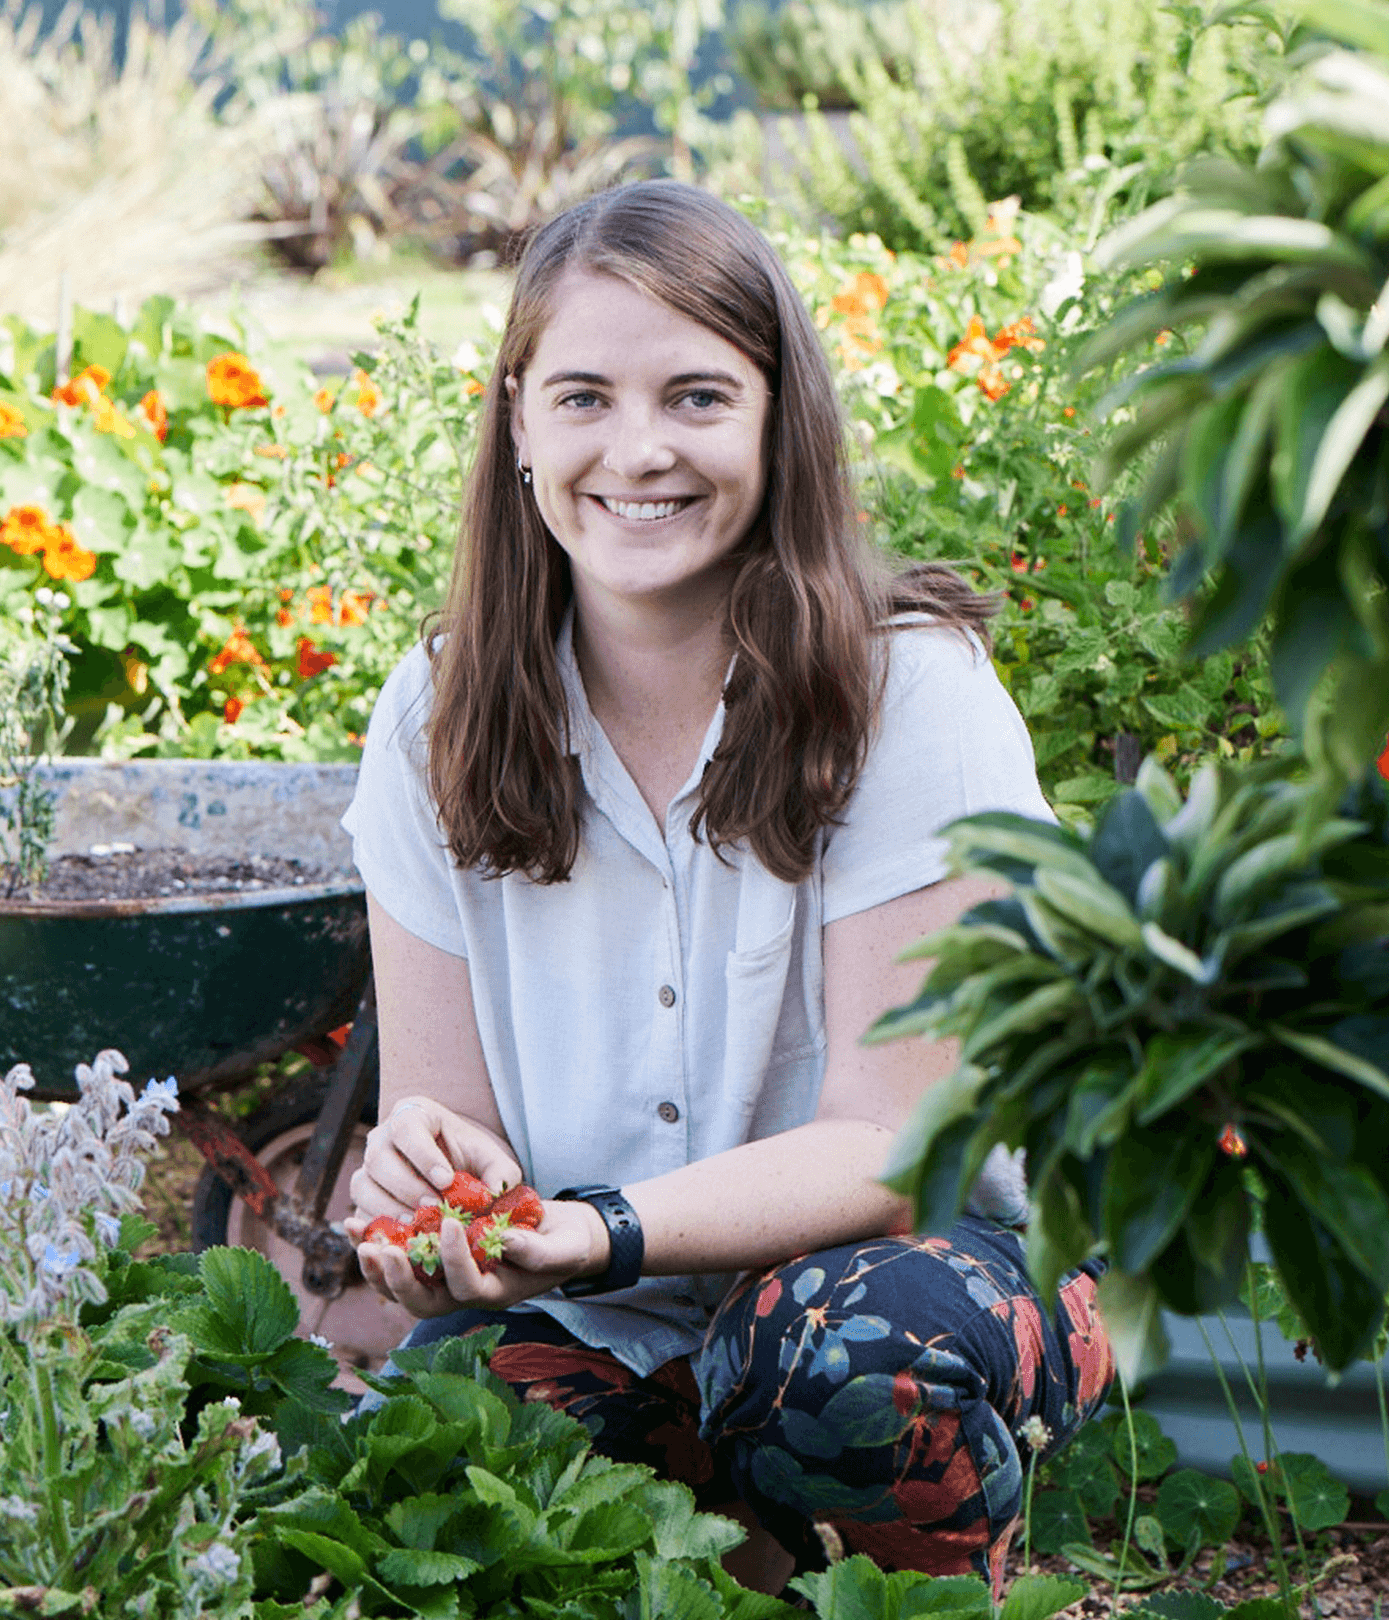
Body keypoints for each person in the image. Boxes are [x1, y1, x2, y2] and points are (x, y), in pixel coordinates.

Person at [338, 180, 1111, 1591]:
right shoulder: (434, 715)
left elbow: (889, 1146)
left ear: (776, 424)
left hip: (928, 1273)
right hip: (605, 1310)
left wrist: (599, 1230)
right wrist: (431, 1184)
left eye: (697, 396)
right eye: (583, 397)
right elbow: (449, 1118)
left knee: (839, 1366)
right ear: (518, 426)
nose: (638, 451)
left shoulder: (907, 695)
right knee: (430, 1472)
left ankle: (910, 1601)